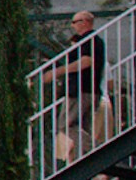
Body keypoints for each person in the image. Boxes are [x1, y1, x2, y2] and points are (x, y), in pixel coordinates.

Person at [43, 10, 108, 161]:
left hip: (81, 90)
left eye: (75, 22)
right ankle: (86, 164)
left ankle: (96, 149)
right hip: (89, 90)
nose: (72, 26)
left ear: (85, 22)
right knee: (82, 129)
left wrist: (57, 72)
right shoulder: (90, 41)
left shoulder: (89, 40)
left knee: (65, 125)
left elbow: (86, 61)